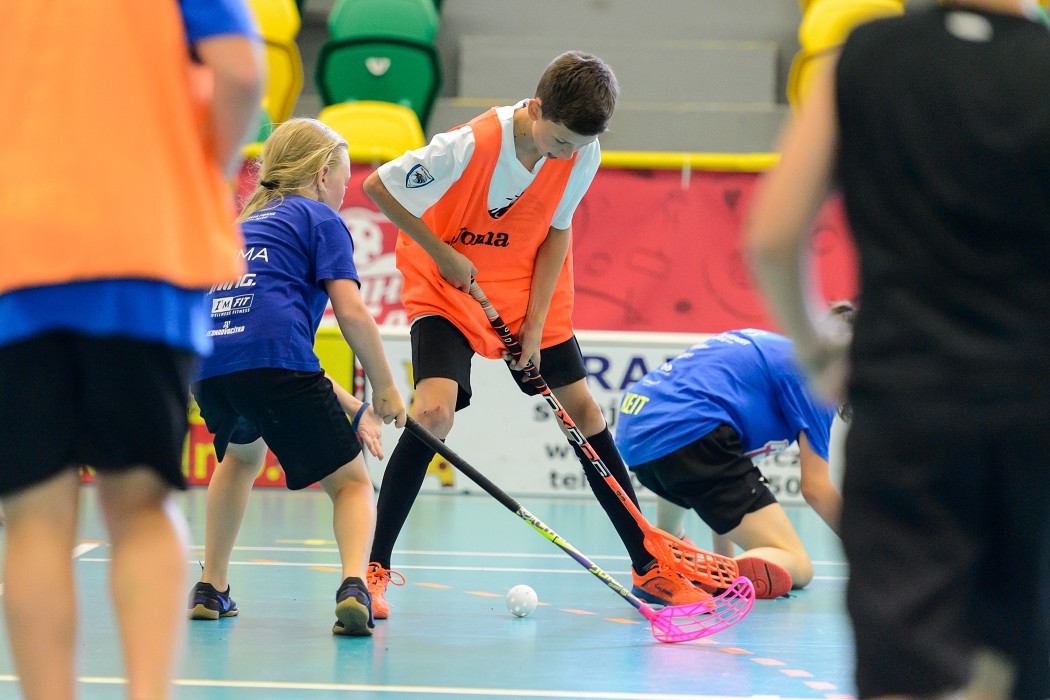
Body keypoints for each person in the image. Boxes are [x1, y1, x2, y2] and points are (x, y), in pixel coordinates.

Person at [747, 1, 1050, 697]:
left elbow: (772, 235)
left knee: (905, 671)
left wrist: (821, 353)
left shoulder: (864, 57)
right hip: (1033, 412)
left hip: (908, 404)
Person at [361, 50, 710, 618]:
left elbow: (556, 234)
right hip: (447, 285)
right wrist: (441, 252)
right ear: (538, 107)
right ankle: (371, 569)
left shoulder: (584, 152)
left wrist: (535, 326)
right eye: (562, 140)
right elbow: (380, 187)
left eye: (577, 146)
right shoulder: (470, 144)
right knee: (433, 415)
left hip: (526, 286)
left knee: (585, 413)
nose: (566, 154)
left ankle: (648, 564)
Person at [0, 2, 263, 698]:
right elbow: (240, 71)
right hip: (145, 241)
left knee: (33, 518)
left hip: (15, 250)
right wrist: (201, 172)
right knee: (142, 505)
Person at [186, 118, 407, 637]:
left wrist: (357, 410)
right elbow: (350, 313)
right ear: (323, 172)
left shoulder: (241, 226)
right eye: (344, 178)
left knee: (240, 457)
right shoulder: (319, 219)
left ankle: (211, 586)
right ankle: (355, 585)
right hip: (268, 361)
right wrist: (387, 388)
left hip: (211, 364)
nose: (343, 190)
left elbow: (269, 358)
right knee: (352, 485)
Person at [614, 313, 852, 600]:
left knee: (692, 489)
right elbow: (816, 488)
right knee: (798, 566)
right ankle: (675, 570)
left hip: (636, 433)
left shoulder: (769, 349)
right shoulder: (817, 378)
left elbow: (723, 499)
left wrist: (722, 564)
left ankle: (665, 554)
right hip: (689, 434)